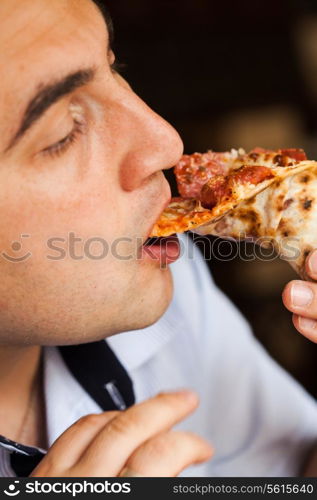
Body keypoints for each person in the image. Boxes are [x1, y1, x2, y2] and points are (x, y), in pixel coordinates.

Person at [0, 0, 316, 478]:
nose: (166, 142)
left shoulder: (158, 276)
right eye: (64, 132)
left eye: (115, 67)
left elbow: (284, 473)